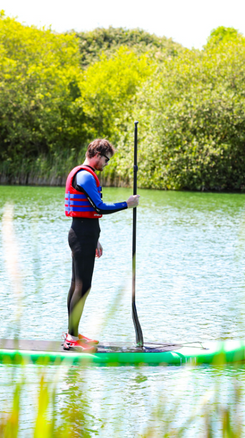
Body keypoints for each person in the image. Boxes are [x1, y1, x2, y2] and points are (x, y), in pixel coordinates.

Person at [63, 139, 139, 352]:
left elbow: (88, 211)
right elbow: (100, 207)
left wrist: (94, 239)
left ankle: (74, 334)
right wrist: (127, 204)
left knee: (77, 285)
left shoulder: (84, 175)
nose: (106, 164)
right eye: (106, 159)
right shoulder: (86, 175)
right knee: (82, 286)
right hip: (81, 235)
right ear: (97, 154)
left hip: (84, 234)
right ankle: (71, 338)